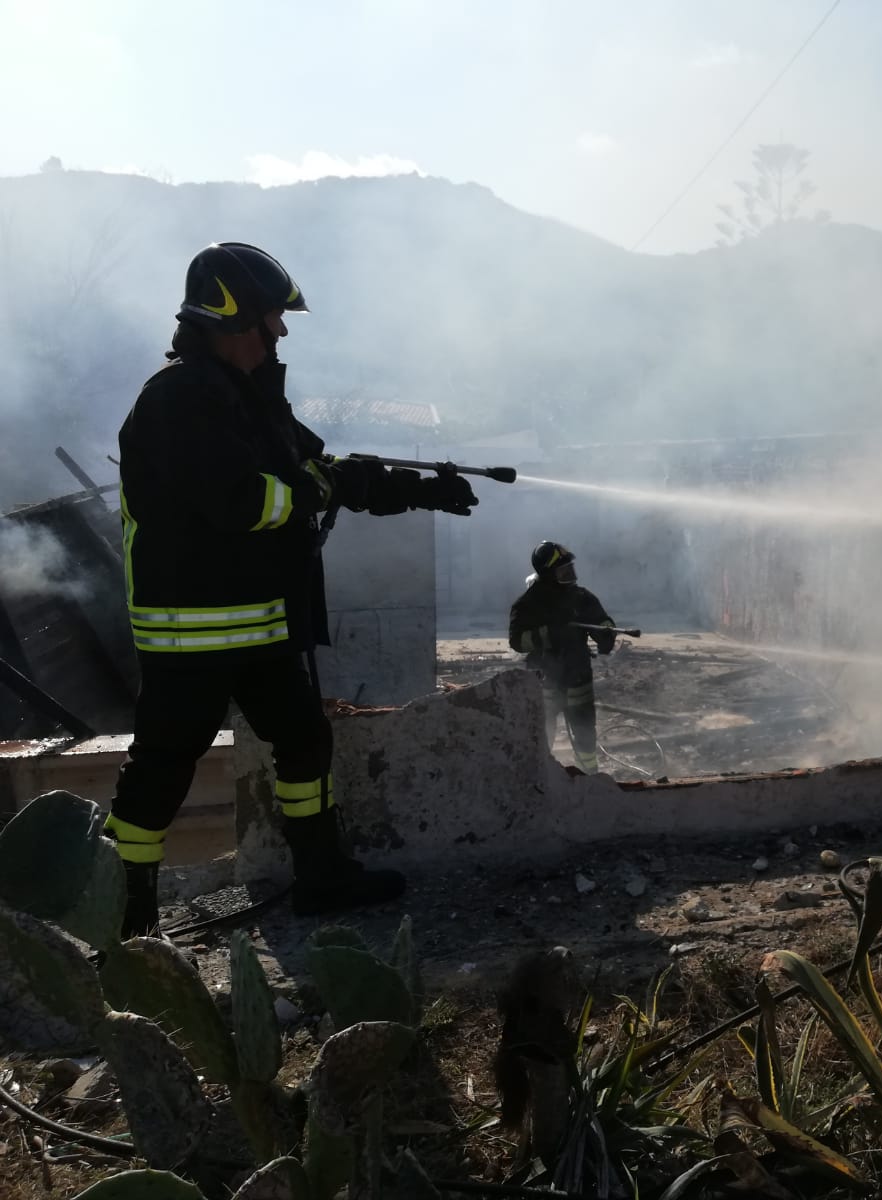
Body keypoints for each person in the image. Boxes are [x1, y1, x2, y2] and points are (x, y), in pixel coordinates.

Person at [106, 241, 479, 937]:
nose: (279, 332)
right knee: (163, 766)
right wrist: (314, 487)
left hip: (257, 622)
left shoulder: (245, 396)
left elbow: (321, 470)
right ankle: (124, 919)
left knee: (305, 741)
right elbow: (241, 501)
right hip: (192, 628)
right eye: (268, 319)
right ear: (223, 319)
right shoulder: (177, 401)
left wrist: (421, 489)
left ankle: (322, 873)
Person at [507, 542, 616, 774]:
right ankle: (542, 778)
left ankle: (589, 776)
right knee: (542, 733)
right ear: (547, 575)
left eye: (570, 570)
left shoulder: (582, 598)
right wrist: (550, 634)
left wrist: (606, 633)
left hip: (578, 678)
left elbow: (601, 620)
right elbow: (518, 641)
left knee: (585, 733)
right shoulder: (528, 604)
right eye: (563, 572)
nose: (570, 576)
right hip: (544, 681)